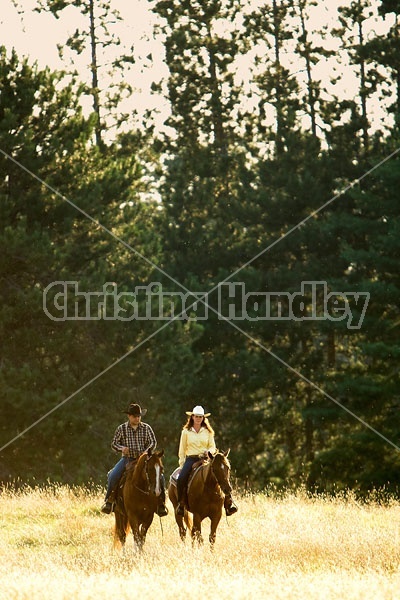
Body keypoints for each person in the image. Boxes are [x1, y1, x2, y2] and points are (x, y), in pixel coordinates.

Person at [101, 402, 168, 516]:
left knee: (160, 476)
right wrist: (122, 448)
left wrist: (146, 451)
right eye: (135, 416)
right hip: (128, 459)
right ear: (129, 416)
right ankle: (109, 501)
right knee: (113, 475)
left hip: (145, 459)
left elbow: (153, 442)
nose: (137, 418)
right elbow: (114, 444)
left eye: (139, 416)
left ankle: (161, 503)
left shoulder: (146, 428)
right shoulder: (121, 428)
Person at [176, 405, 238, 517]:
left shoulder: (208, 432)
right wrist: (182, 464)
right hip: (191, 458)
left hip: (207, 458)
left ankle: (229, 503)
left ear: (203, 418)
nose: (198, 418)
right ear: (192, 417)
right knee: (181, 479)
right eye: (196, 416)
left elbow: (212, 446)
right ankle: (181, 503)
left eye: (200, 416)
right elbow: (182, 449)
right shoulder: (186, 432)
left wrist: (208, 451)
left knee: (222, 474)